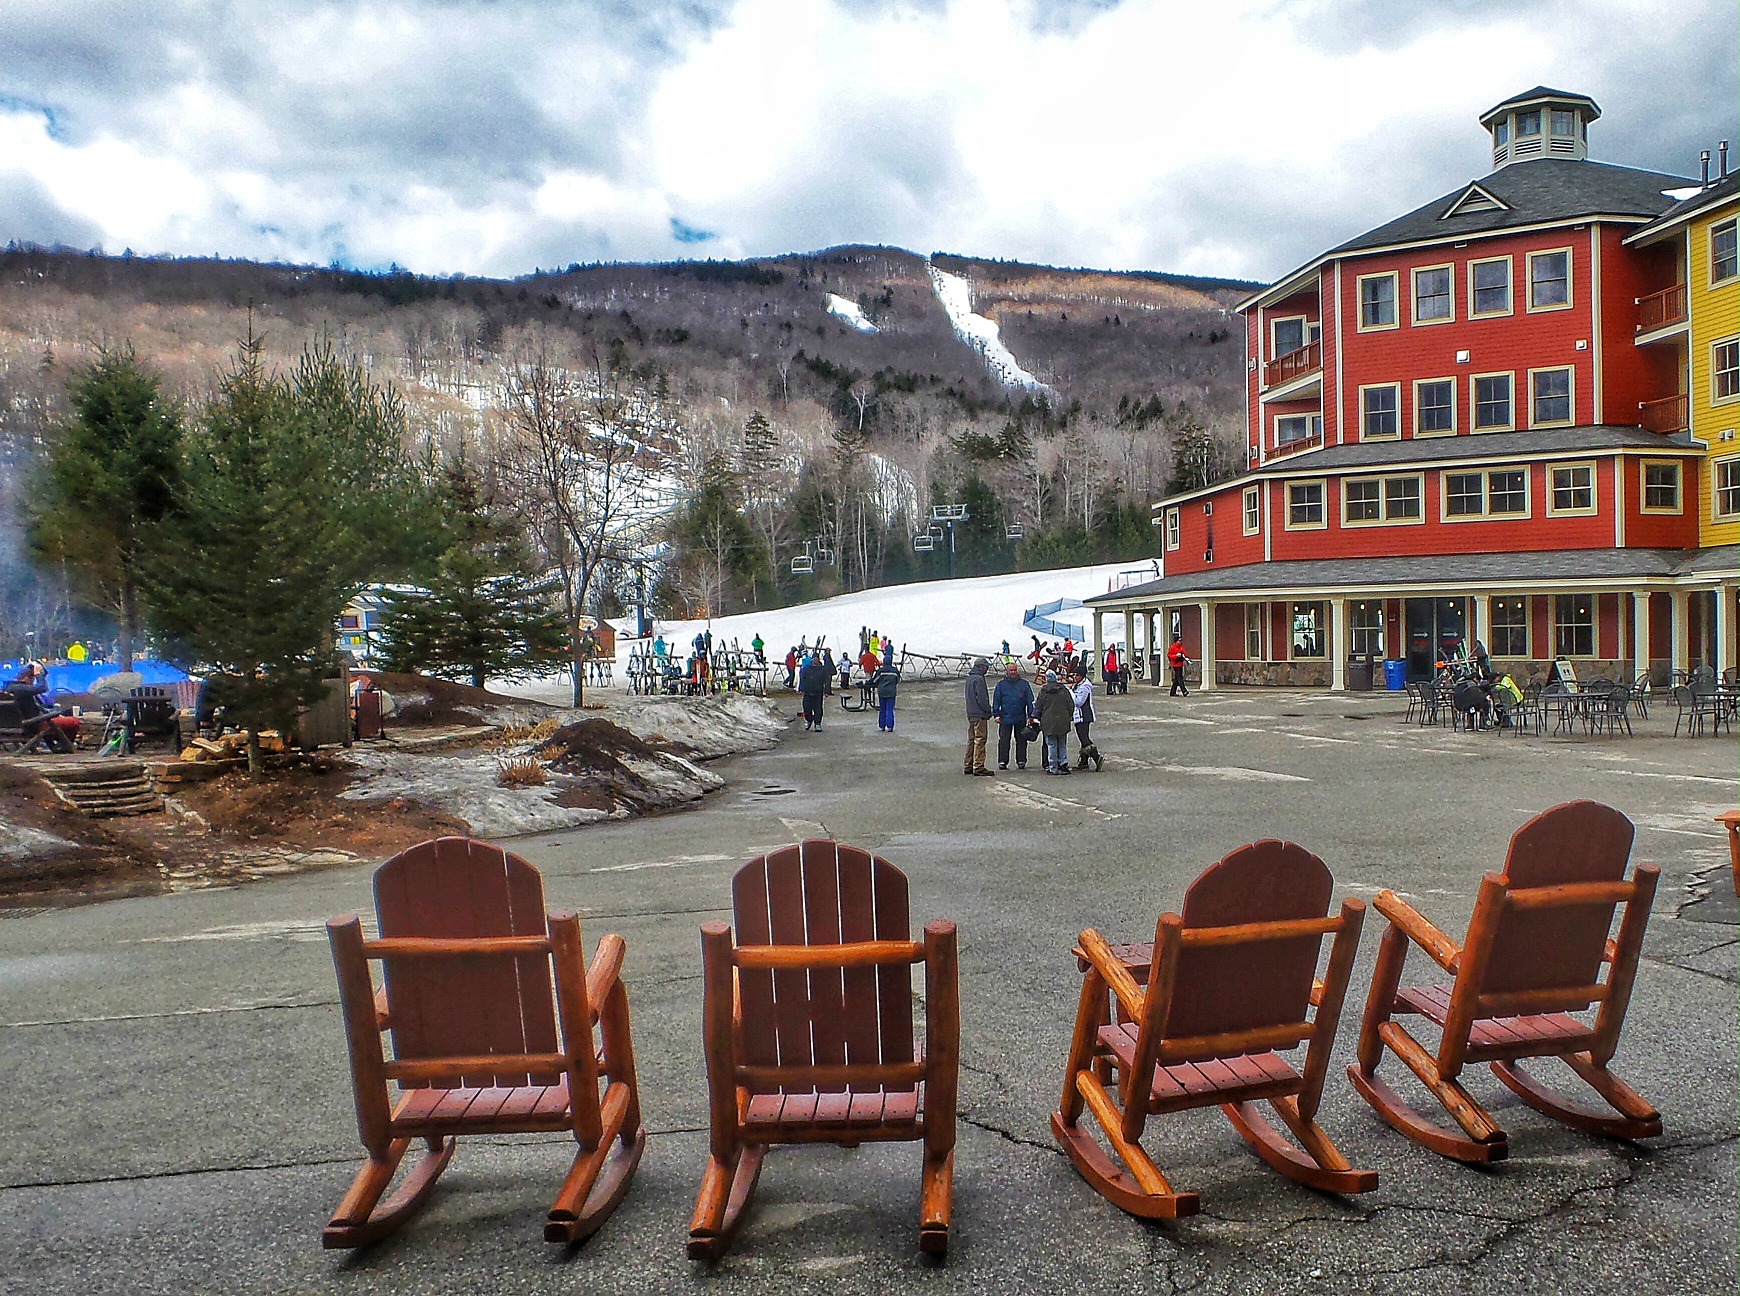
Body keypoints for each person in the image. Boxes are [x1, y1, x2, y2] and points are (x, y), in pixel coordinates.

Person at [992, 660, 1035, 771]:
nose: (1013, 672)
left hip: (1020, 717)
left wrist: (1031, 715)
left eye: (1015, 670)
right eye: (1011, 670)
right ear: (1007, 672)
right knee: (1004, 740)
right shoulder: (1001, 685)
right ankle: (1002, 761)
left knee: (1021, 740)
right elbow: (996, 700)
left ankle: (1021, 760)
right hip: (1005, 717)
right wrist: (996, 714)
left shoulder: (1024, 684)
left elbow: (1030, 701)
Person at [1036, 669, 1075, 775]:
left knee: (1051, 744)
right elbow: (1071, 704)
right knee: (1062, 743)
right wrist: (1068, 716)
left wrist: (1038, 718)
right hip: (1063, 720)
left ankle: (1053, 766)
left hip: (1048, 721)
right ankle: (1063, 764)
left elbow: (1038, 706)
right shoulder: (1064, 690)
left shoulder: (1044, 691)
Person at [963, 657, 993, 776]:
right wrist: (988, 711)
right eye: (986, 666)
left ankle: (968, 764)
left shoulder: (970, 678)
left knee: (971, 740)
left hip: (971, 713)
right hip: (980, 714)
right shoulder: (979, 679)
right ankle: (978, 765)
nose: (987, 668)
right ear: (981, 666)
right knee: (980, 740)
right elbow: (982, 698)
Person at [1071, 669, 1103, 771]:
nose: (1075, 677)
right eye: (1074, 675)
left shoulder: (1085, 686)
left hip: (1084, 716)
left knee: (1084, 739)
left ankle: (1097, 757)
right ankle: (1084, 762)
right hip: (1078, 716)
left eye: (1077, 675)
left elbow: (1079, 702)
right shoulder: (1078, 685)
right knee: (1082, 739)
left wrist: (1071, 693)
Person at [798, 654, 830, 730]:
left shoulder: (823, 669)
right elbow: (802, 679)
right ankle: (809, 720)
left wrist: (827, 691)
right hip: (808, 691)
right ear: (812, 659)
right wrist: (801, 688)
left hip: (818, 691)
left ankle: (817, 723)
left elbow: (826, 680)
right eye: (814, 658)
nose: (815, 659)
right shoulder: (806, 668)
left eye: (817, 658)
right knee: (806, 708)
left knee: (818, 708)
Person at [872, 657, 901, 732]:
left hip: (882, 691)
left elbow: (875, 681)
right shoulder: (895, 671)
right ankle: (890, 726)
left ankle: (882, 725)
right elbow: (898, 680)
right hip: (891, 691)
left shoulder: (880, 671)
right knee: (890, 709)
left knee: (882, 708)